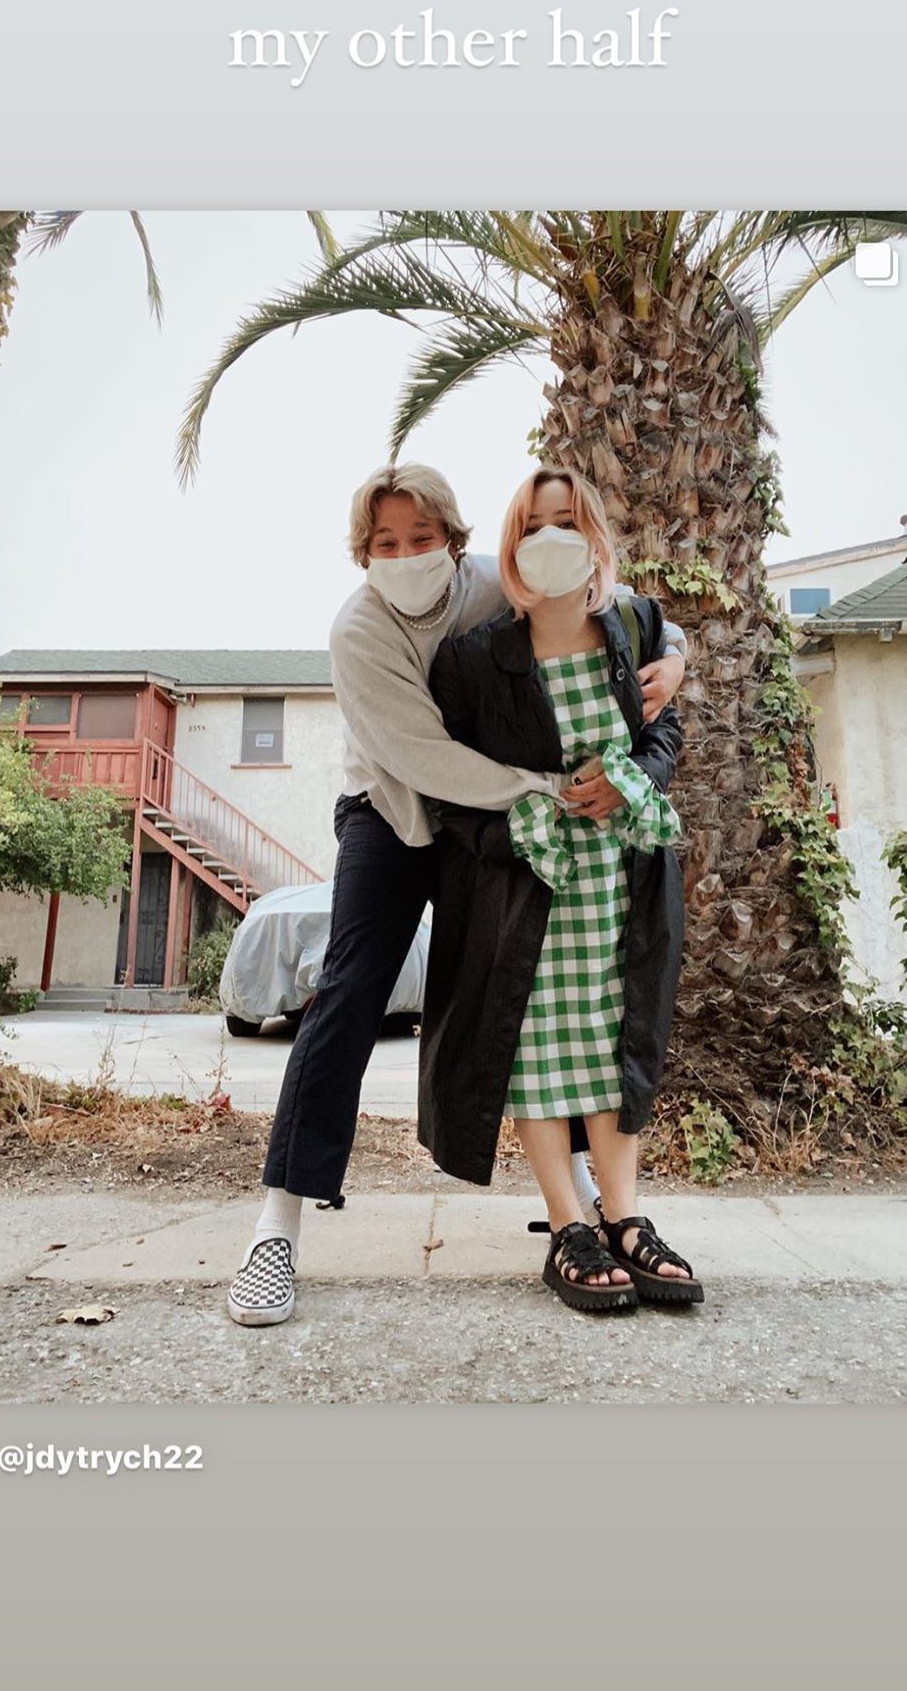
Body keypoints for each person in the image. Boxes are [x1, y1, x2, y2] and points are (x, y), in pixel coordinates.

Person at [227, 462, 688, 1326]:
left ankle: (584, 1198)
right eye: (385, 542)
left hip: (497, 812)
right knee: (349, 993)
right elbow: (423, 758)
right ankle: (277, 1224)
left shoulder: (491, 580)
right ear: (363, 553)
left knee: (542, 982)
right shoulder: (358, 631)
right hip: (395, 813)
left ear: (454, 540)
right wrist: (546, 791)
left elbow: (617, 609)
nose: (406, 554)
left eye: (422, 537)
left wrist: (675, 659)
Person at [418, 468, 701, 1312]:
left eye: (569, 522)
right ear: (512, 545)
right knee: (539, 1047)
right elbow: (446, 790)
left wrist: (633, 779)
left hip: (624, 878)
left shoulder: (634, 628)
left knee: (616, 1043)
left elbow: (664, 732)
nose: (552, 539)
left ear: (596, 539)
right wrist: (510, 838)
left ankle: (626, 1219)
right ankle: (568, 1225)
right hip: (528, 889)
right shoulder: (474, 659)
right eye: (535, 525)